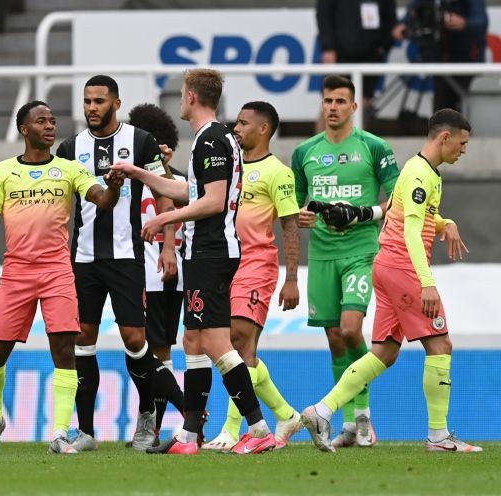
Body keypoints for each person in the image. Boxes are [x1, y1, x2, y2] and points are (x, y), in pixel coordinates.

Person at [113, 68, 276, 455]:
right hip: (205, 251)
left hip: (212, 251)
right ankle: (188, 435)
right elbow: (189, 189)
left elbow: (214, 201)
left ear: (190, 97)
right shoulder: (215, 138)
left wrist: (164, 218)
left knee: (216, 342)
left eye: (183, 94)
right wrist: (140, 172)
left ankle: (258, 428)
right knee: (193, 340)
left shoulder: (211, 140)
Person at [302, 108, 481, 453]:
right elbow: (411, 231)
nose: (463, 150)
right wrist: (426, 281)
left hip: (385, 266)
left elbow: (412, 217)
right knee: (441, 346)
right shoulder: (419, 175)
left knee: (384, 352)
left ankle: (320, 411)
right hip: (404, 270)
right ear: (445, 138)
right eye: (461, 143)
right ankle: (438, 436)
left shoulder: (422, 171)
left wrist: (445, 223)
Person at [0, 101, 123, 454]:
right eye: (41, 121)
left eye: (53, 121)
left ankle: (59, 433)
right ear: (24, 129)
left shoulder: (70, 170)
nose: (50, 126)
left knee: (65, 350)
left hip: (56, 271)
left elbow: (102, 199)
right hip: (17, 271)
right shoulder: (4, 172)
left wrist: (112, 186)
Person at [55, 75, 168, 451]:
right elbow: (61, 201)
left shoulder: (140, 141)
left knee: (135, 338)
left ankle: (147, 415)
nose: (91, 108)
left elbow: (163, 189)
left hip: (126, 256)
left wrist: (166, 243)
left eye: (99, 101)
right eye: (87, 101)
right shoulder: (71, 147)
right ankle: (86, 431)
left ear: (116, 103)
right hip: (84, 257)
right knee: (82, 338)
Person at [291, 75, 400, 448]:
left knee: (352, 329)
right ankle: (353, 426)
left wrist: (363, 213)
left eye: (340, 101)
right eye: (328, 101)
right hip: (321, 254)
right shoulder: (305, 152)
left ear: (354, 107)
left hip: (361, 251)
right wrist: (303, 217)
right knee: (336, 339)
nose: (333, 107)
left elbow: (398, 200)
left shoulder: (374, 147)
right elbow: (297, 206)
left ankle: (363, 415)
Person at [201, 101, 303, 451]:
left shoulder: (278, 173)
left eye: (243, 124)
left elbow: (290, 226)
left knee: (238, 340)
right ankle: (285, 414)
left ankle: (231, 431)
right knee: (241, 351)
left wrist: (292, 278)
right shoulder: (228, 167)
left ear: (263, 129)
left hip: (256, 265)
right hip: (224, 262)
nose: (236, 129)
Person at [128, 103, 186, 444]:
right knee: (156, 355)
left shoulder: (170, 183)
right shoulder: (179, 180)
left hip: (155, 275)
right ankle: (153, 430)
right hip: (166, 275)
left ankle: (185, 412)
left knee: (150, 355)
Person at [393, 0, 488, 113]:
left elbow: (481, 22)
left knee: (464, 107)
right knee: (442, 110)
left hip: (467, 62)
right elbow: (414, 12)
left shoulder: (474, 3)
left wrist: (465, 23)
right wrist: (403, 25)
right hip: (440, 61)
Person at [316, 0, 397, 116]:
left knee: (363, 105)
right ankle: (324, 134)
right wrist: (328, 47)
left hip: (371, 54)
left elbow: (390, 18)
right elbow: (323, 14)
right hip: (339, 55)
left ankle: (356, 134)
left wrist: (384, 47)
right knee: (331, 103)